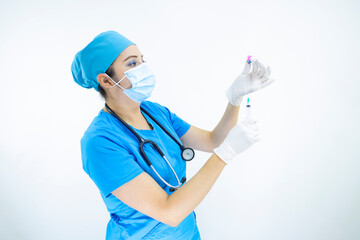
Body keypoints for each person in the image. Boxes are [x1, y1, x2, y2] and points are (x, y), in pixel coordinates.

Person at [71, 30, 274, 240]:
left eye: (143, 60)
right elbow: (169, 211)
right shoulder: (100, 143)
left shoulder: (156, 113)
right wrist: (226, 153)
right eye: (132, 64)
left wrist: (234, 99)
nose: (143, 68)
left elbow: (214, 141)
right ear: (105, 80)